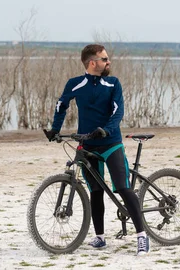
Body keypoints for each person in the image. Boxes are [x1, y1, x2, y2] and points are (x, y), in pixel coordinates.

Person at [44, 44, 149, 255]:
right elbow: (61, 105)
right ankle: (100, 237)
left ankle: (142, 236)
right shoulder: (75, 84)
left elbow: (118, 113)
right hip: (87, 144)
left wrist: (106, 129)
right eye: (104, 59)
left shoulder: (112, 83)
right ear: (92, 62)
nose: (108, 62)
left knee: (122, 187)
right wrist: (55, 130)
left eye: (107, 58)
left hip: (111, 143)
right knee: (95, 191)